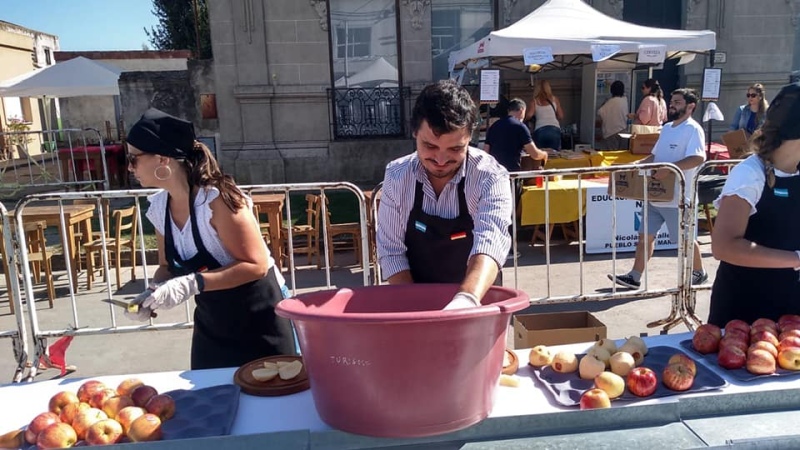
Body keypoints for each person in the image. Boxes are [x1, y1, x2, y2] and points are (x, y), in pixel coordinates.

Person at [124, 108, 295, 369]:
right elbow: (167, 267)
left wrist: (191, 284)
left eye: (133, 158)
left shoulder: (217, 200)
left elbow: (256, 265)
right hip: (213, 324)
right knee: (210, 399)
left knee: (272, 397)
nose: (129, 167)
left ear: (162, 159)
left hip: (260, 320)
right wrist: (154, 291)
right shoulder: (159, 208)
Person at [376, 80, 513, 310]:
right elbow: (391, 251)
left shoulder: (490, 176)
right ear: (414, 132)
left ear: (470, 138)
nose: (440, 160)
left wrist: (466, 299)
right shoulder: (397, 176)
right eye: (429, 146)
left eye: (455, 149)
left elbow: (490, 242)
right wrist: (416, 310)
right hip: (415, 297)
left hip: (477, 299)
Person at [708, 82, 800, 325]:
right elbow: (724, 246)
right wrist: (796, 259)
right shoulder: (750, 173)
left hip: (791, 311)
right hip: (745, 313)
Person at [609, 88, 708, 289]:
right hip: (655, 194)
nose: (672, 105)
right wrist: (637, 165)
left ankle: (699, 272)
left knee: (686, 240)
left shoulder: (693, 129)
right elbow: (655, 156)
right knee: (645, 237)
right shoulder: (668, 128)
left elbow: (698, 157)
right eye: (672, 101)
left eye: (678, 102)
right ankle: (634, 276)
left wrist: (671, 169)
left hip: (679, 198)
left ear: (691, 106)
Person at [484, 98, 548, 173]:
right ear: (522, 110)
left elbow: (486, 151)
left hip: (495, 172)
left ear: (509, 111)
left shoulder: (494, 126)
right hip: (512, 173)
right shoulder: (520, 126)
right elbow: (534, 154)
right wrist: (544, 154)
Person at [525, 79, 564, 150]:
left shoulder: (534, 101)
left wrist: (525, 119)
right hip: (554, 129)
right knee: (554, 156)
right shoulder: (555, 99)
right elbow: (561, 116)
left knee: (540, 155)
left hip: (540, 129)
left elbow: (529, 115)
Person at [597, 80, 629, 150]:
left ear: (611, 91)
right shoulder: (624, 100)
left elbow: (599, 112)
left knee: (612, 156)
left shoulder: (609, 103)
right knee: (622, 156)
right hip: (623, 131)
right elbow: (624, 93)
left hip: (611, 133)